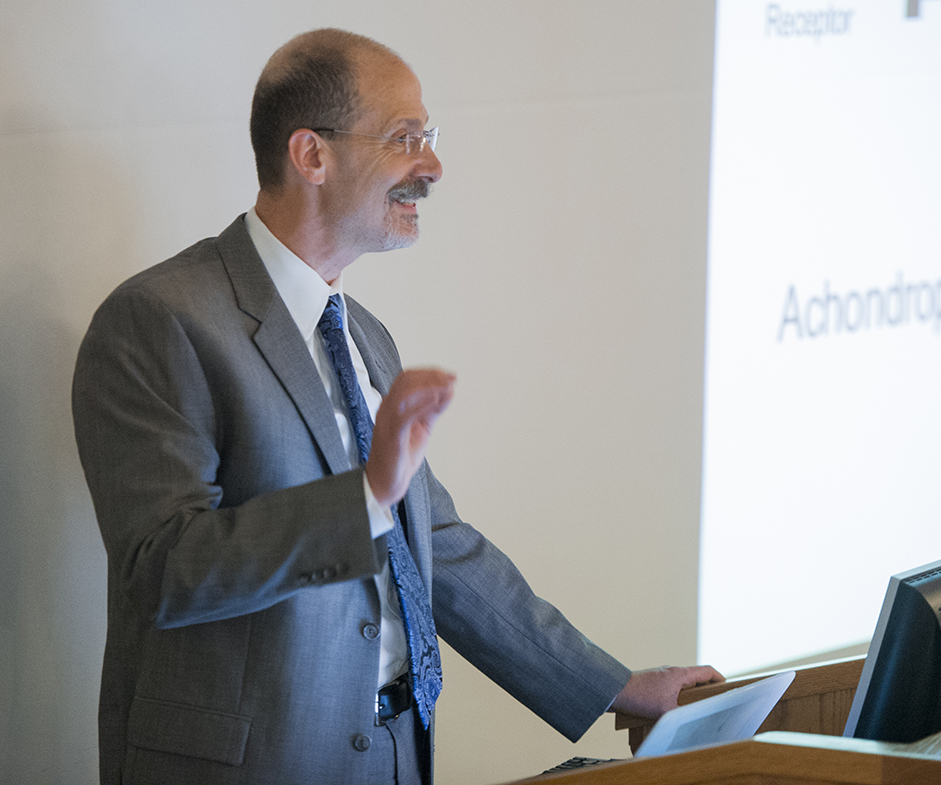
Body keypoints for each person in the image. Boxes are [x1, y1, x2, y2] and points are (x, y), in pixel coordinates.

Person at [71, 28, 723, 785]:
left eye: (429, 136)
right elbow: (164, 569)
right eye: (405, 138)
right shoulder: (161, 320)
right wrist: (365, 497)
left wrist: (614, 685)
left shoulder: (362, 334)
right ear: (311, 155)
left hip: (394, 755)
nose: (433, 167)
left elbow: (436, 547)